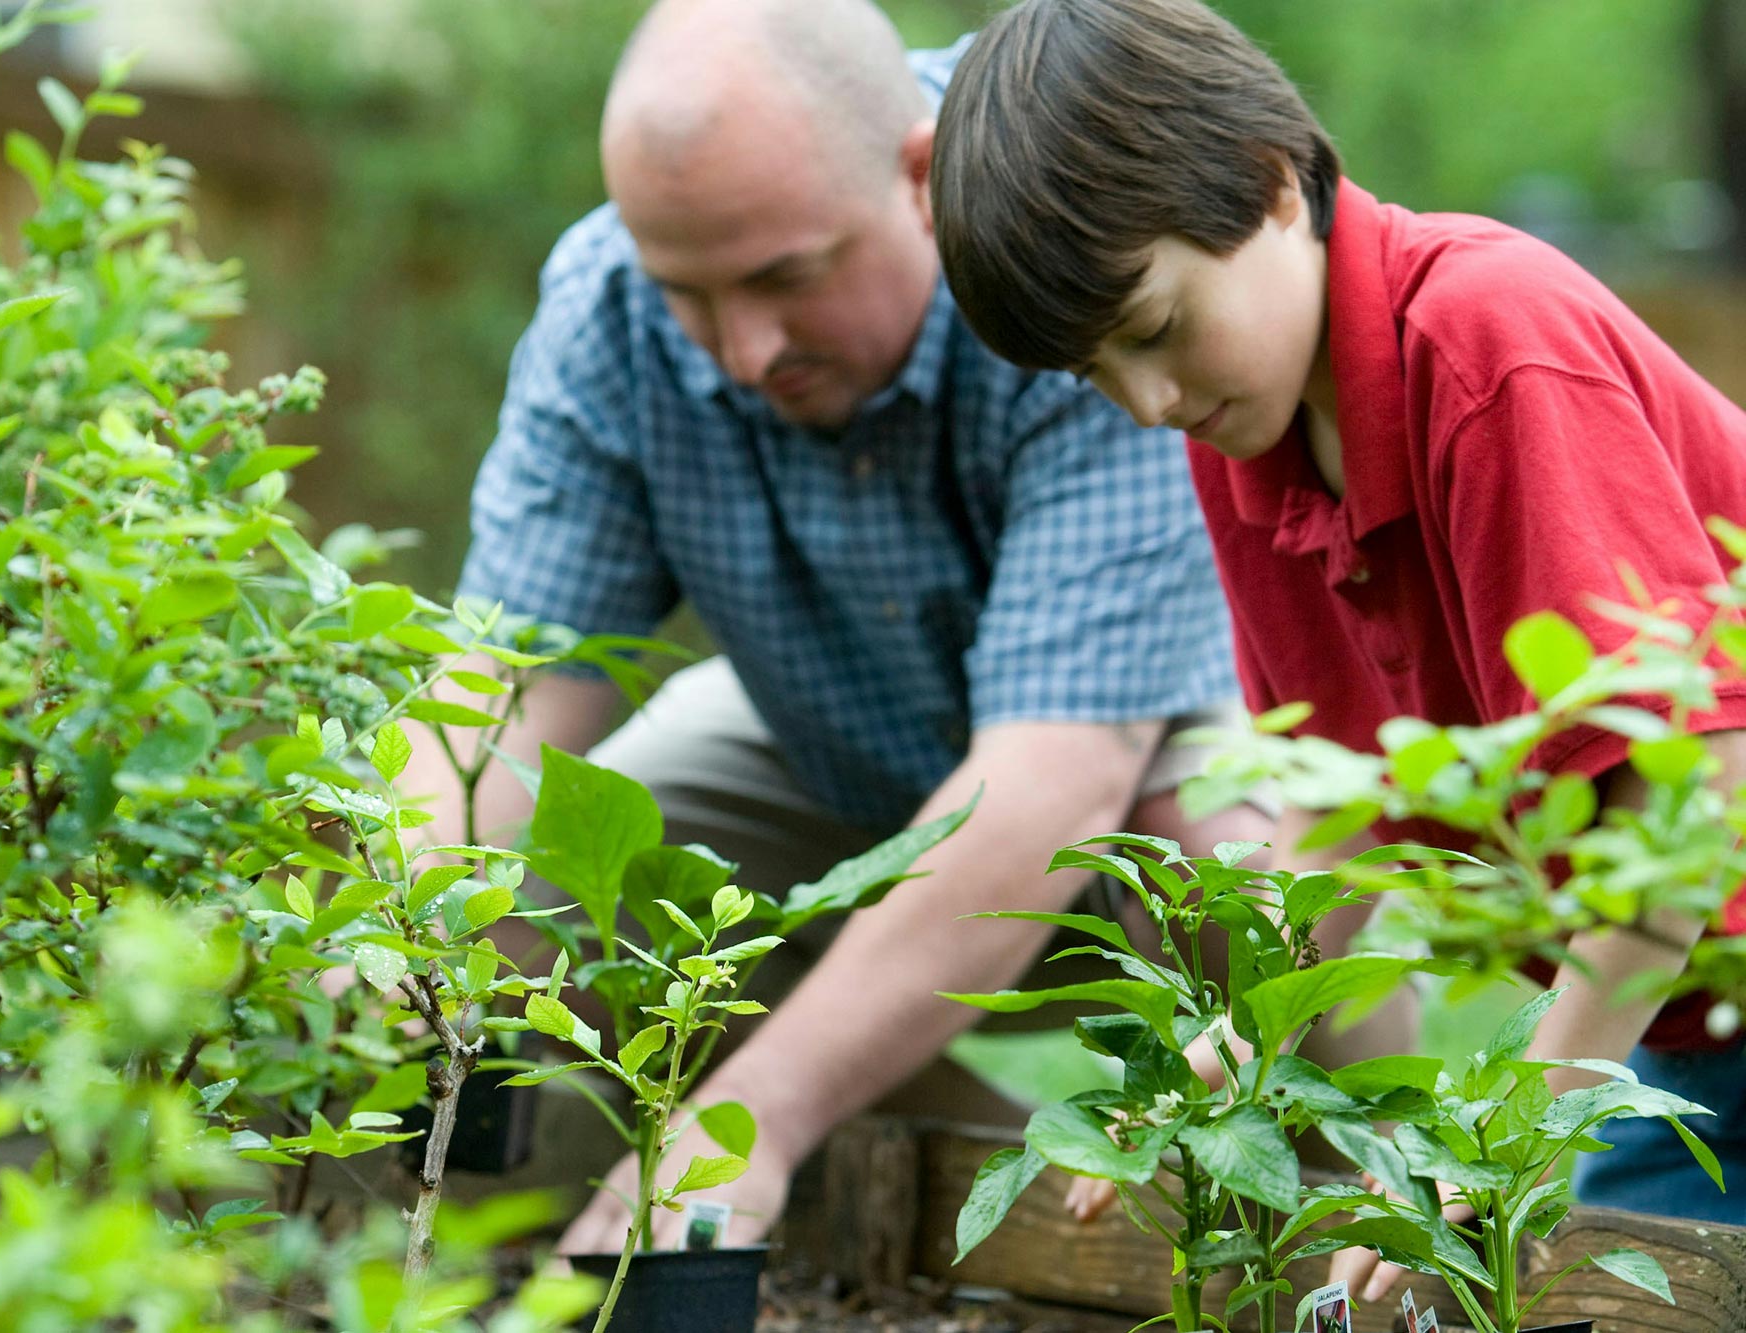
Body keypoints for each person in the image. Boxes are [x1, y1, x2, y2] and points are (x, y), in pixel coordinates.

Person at [403, 0, 1295, 1253]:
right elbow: (498, 691)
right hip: (816, 728)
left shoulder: (1061, 237)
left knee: (1249, 877)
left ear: (919, 175)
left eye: (783, 278)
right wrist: (382, 934)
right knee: (561, 883)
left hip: (1132, 738)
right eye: (690, 297)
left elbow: (1054, 779)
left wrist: (742, 1126)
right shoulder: (604, 307)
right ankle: (951, 1183)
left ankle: (1328, 1202)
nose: (741, 350)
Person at [928, 0, 1746, 1294]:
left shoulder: (1488, 344)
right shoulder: (1242, 437)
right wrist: (1232, 1053)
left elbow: (1696, 794)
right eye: (1095, 376)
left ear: (1270, 190)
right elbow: (1339, 807)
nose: (1147, 403)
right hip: (1689, 1029)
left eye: (1150, 330)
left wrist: (1485, 1137)